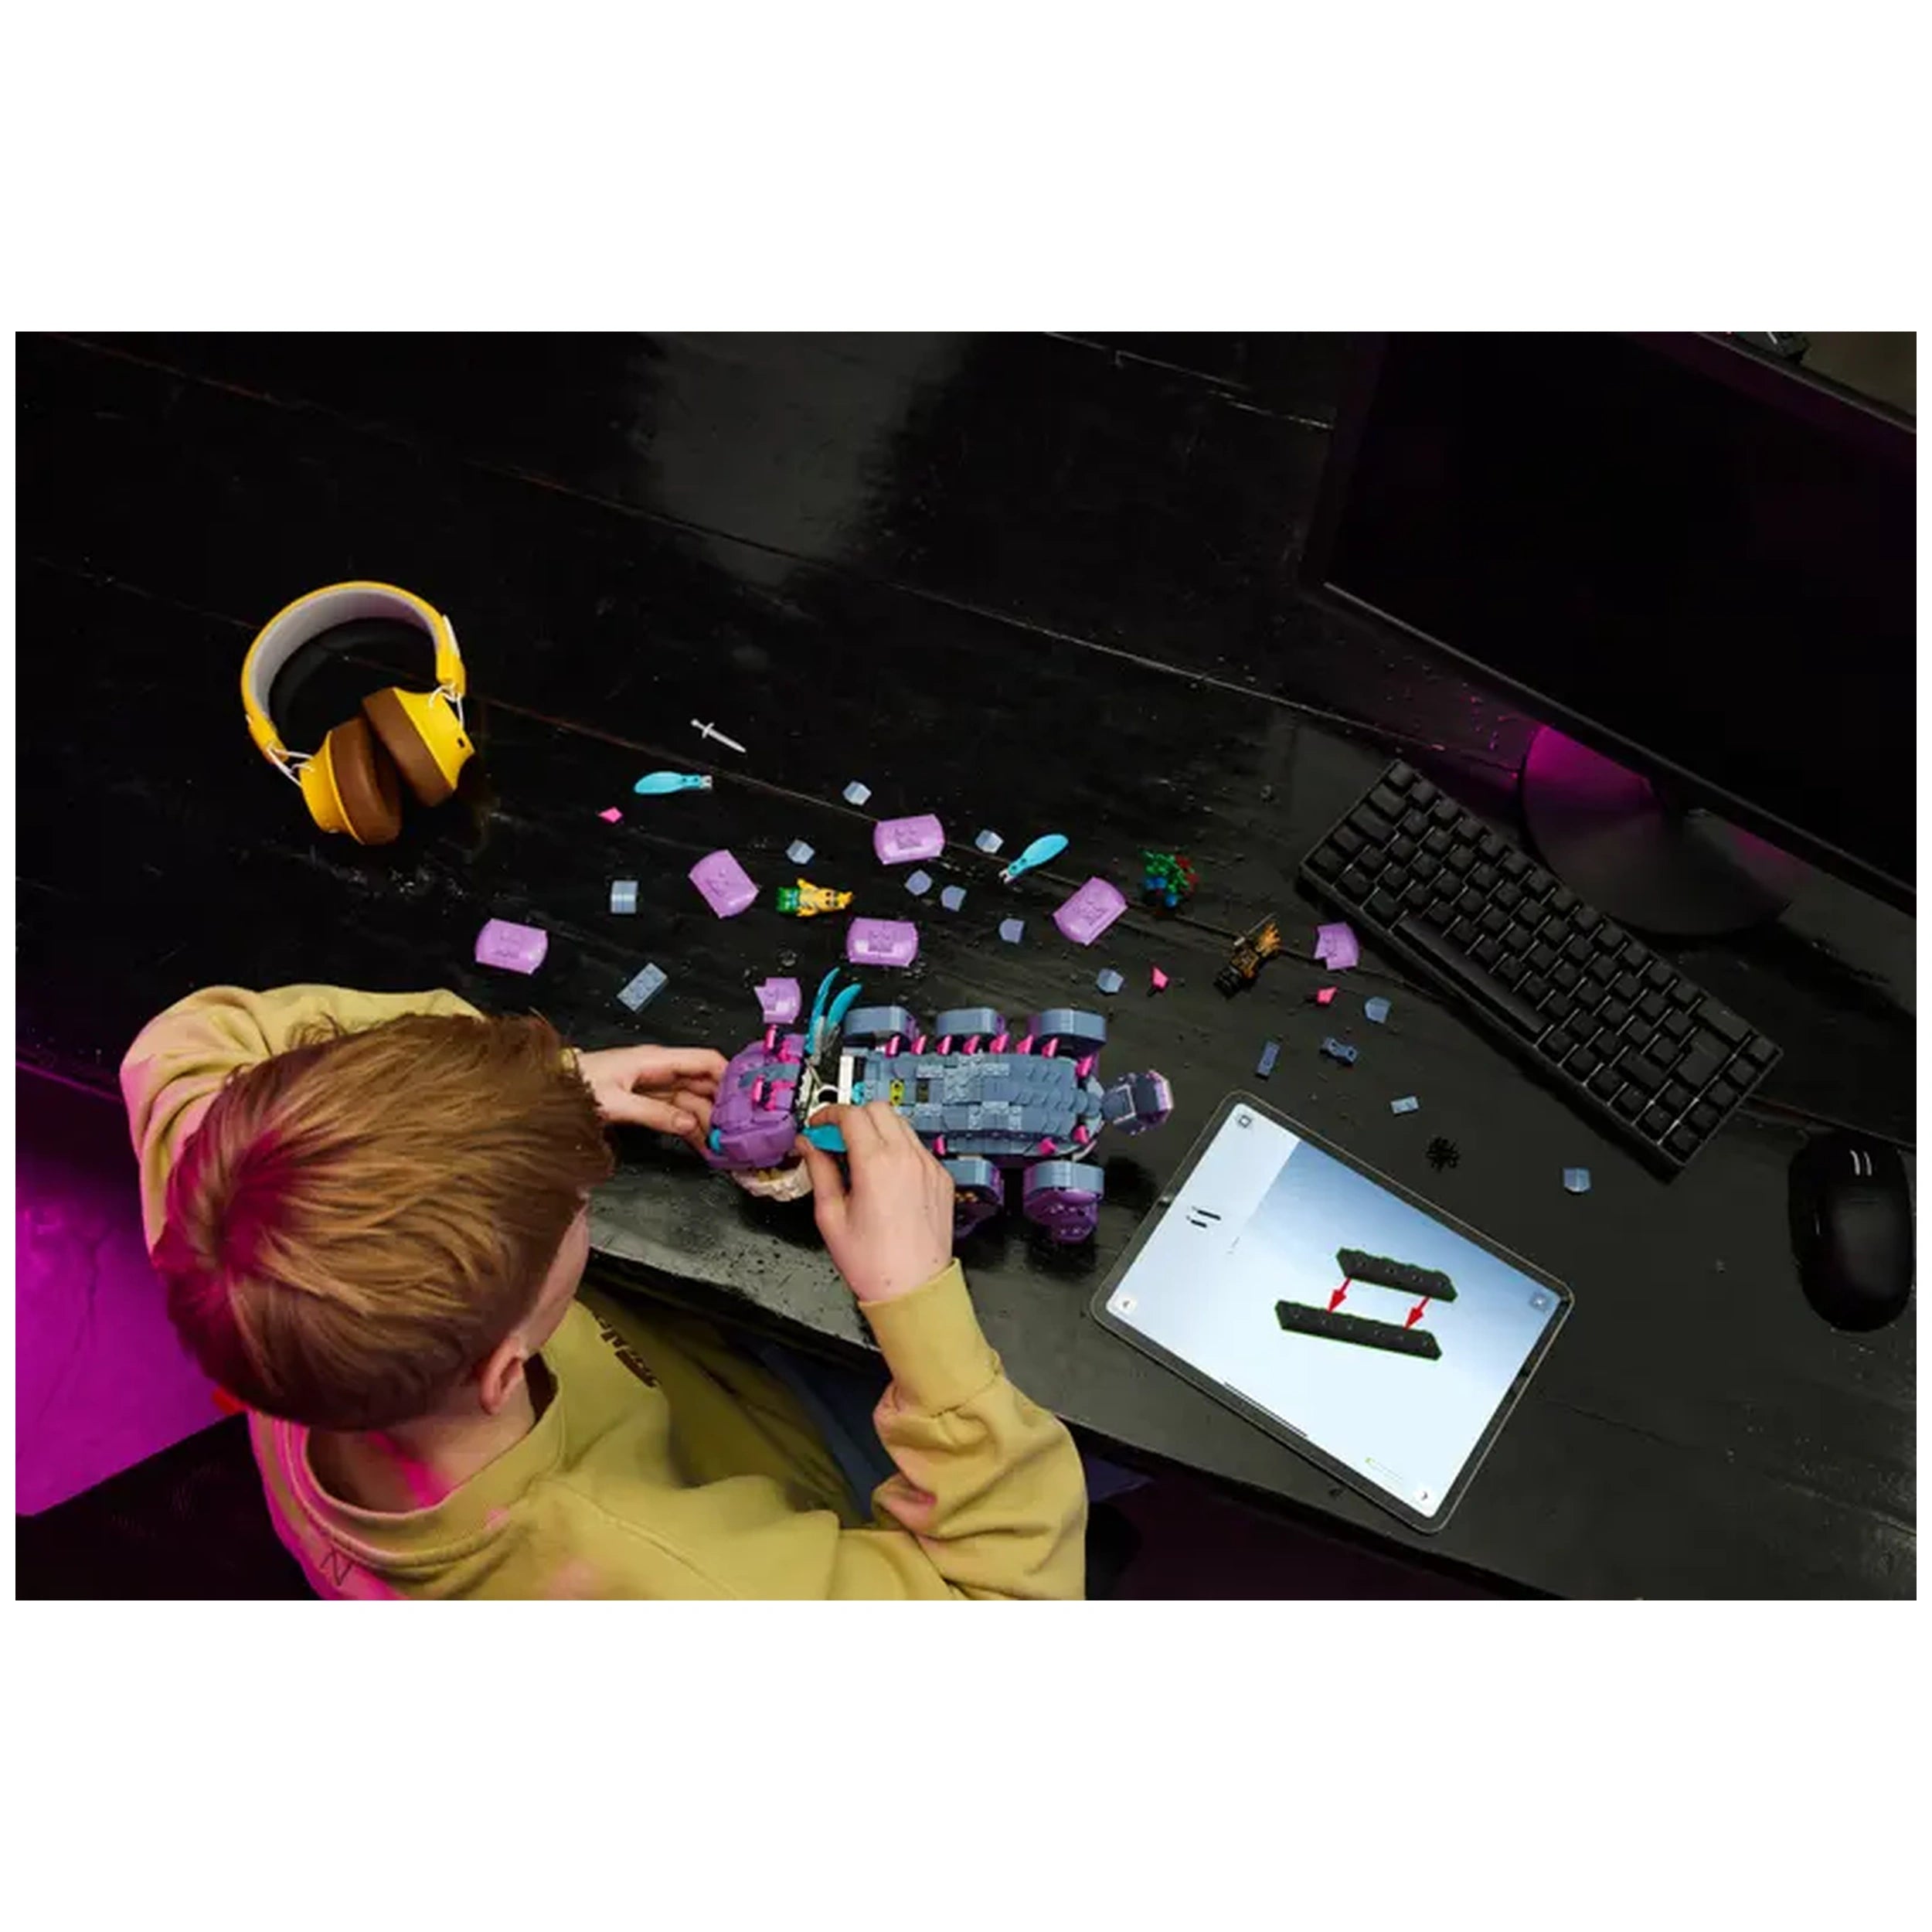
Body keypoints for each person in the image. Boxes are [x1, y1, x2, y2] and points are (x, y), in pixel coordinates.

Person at [120, 984, 1089, 1598]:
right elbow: (1009, 1604)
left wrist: (536, 1088)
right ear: (504, 1367)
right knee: (1087, 1418)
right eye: (574, 1204)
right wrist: (913, 1297)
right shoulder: (646, 1576)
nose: (587, 1187)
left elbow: (185, 1039)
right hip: (801, 1487)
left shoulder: (233, 1205)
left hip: (687, 1384)